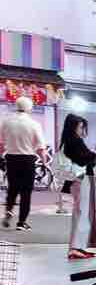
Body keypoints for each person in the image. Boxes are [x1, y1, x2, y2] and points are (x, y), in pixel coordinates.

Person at [59, 114, 96, 261]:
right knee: (81, 212)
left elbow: (88, 160)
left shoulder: (69, 141)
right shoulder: (74, 141)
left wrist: (93, 153)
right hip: (80, 179)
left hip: (78, 179)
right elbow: (86, 160)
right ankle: (74, 248)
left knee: (82, 212)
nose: (82, 130)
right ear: (73, 127)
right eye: (80, 127)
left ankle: (78, 247)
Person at [0, 96, 46, 231]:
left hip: (11, 158)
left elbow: (1, 144)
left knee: (12, 188)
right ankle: (21, 222)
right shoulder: (34, 124)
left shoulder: (6, 122)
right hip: (27, 160)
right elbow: (41, 148)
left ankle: (9, 210)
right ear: (29, 108)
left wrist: (1, 157)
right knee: (26, 192)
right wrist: (44, 163)